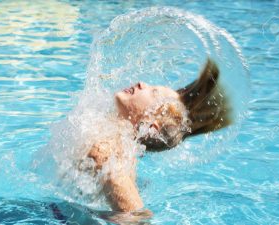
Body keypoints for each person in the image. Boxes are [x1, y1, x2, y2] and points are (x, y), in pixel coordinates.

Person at [83, 58, 231, 215]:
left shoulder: (109, 148)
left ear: (150, 128)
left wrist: (137, 218)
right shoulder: (126, 155)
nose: (141, 84)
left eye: (153, 92)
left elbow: (136, 216)